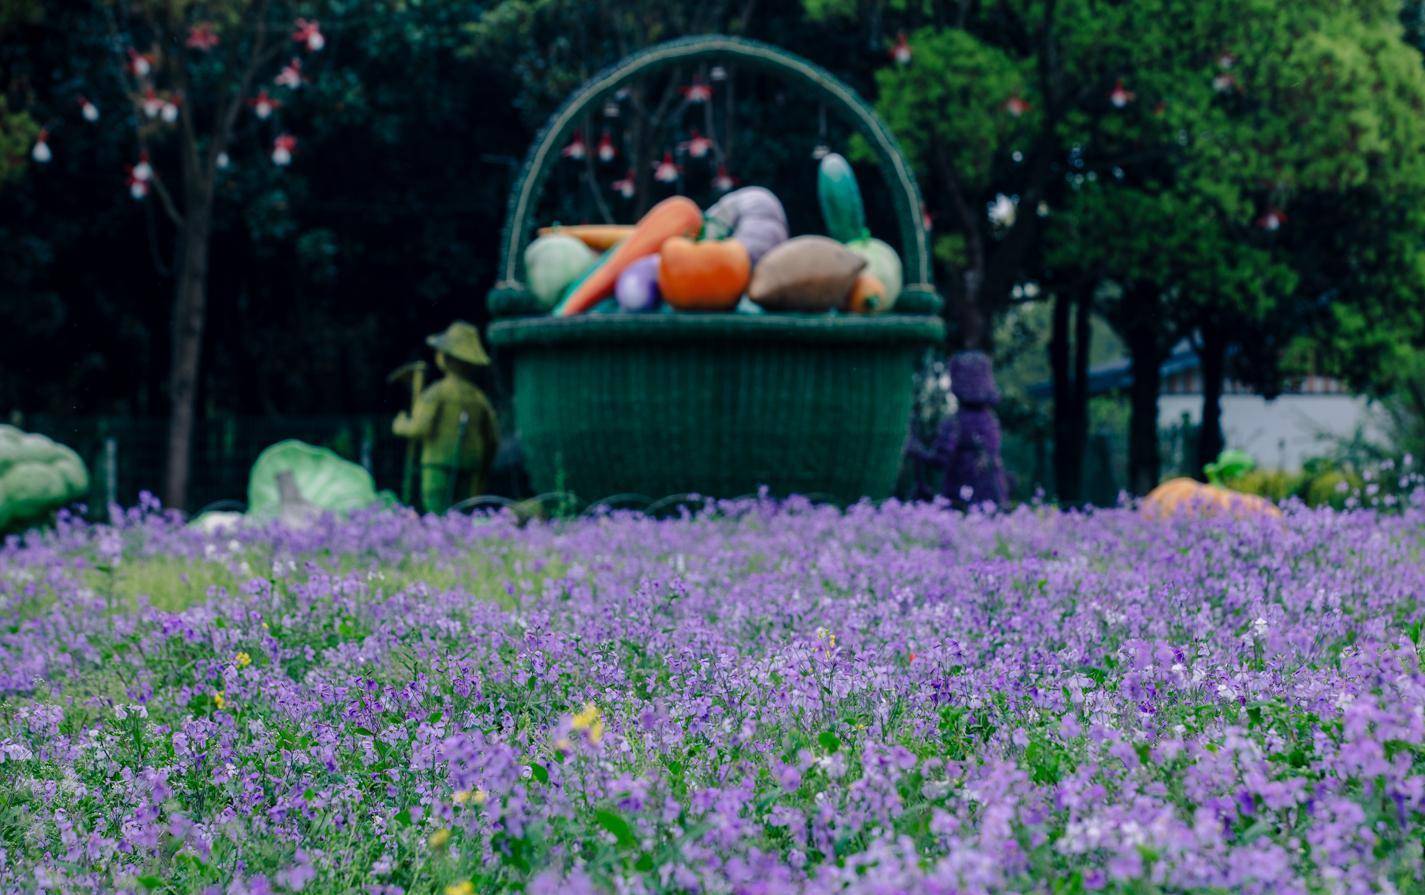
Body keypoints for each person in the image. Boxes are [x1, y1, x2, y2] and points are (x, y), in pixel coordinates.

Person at [392, 321, 500, 513]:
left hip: (437, 465)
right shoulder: (479, 398)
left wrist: (400, 424)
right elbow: (493, 439)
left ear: (446, 359)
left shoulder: (436, 393)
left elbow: (419, 428)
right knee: (464, 516)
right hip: (471, 466)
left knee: (438, 513)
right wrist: (483, 468)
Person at [907, 351, 1009, 507]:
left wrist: (917, 450)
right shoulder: (991, 420)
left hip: (960, 498)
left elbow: (940, 459)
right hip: (994, 495)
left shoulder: (956, 422)